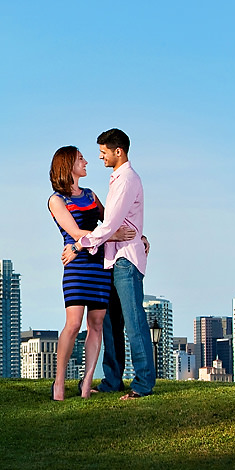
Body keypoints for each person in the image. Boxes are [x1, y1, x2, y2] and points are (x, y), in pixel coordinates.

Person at [63, 128, 153, 400]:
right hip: (113, 259)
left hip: (125, 259)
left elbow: (111, 224)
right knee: (112, 324)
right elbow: (120, 222)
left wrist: (79, 245)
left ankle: (143, 384)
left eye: (103, 152)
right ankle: (112, 380)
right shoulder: (117, 180)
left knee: (134, 322)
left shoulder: (126, 180)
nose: (100, 157)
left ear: (119, 151)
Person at [48, 145, 135, 401]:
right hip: (77, 266)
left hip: (99, 266)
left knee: (96, 325)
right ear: (68, 165)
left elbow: (111, 222)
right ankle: (59, 383)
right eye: (80, 159)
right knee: (73, 324)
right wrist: (110, 235)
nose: (86, 161)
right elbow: (76, 233)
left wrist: (137, 235)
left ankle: (87, 383)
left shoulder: (90, 195)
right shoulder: (56, 199)